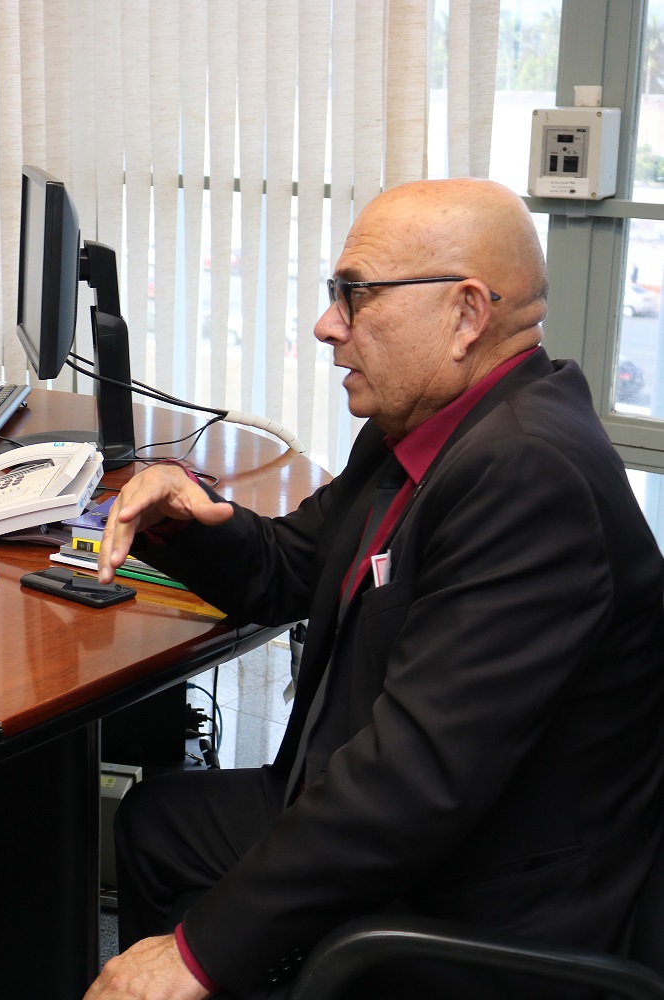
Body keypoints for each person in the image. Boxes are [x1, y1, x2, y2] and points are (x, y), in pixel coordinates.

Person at [88, 178, 664, 999]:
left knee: (191, 928)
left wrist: (196, 954)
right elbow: (290, 566)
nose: (327, 326)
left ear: (466, 315)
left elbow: (412, 781)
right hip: (397, 812)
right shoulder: (424, 429)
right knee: (157, 827)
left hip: (478, 889)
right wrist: (185, 517)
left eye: (353, 296)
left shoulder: (531, 474)